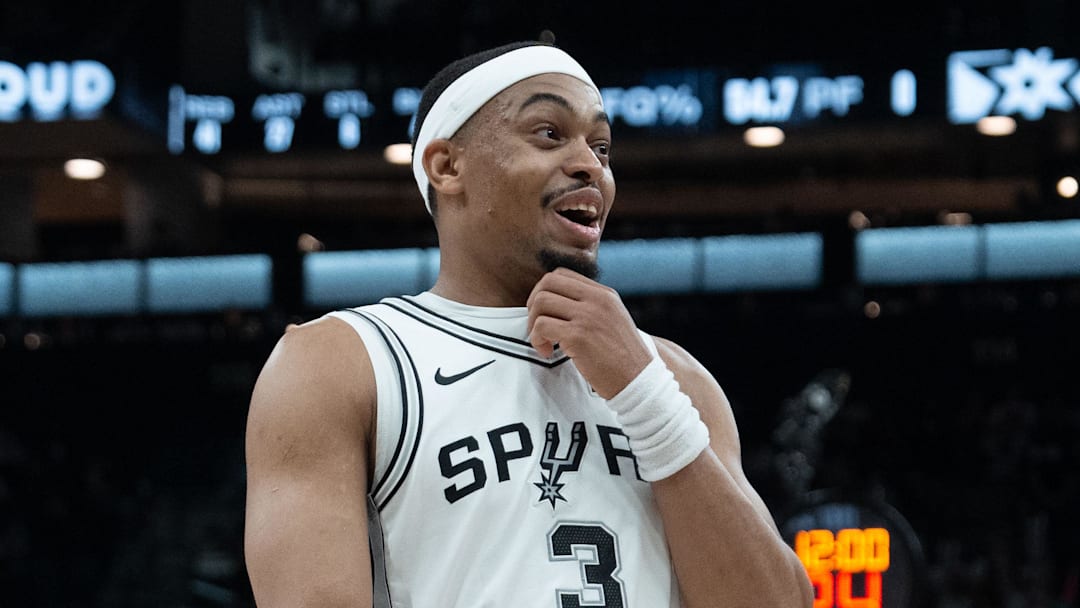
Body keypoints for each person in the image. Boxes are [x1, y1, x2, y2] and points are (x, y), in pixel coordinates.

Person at [243, 39, 814, 608]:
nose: (590, 165)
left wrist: (646, 398)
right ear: (447, 166)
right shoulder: (342, 364)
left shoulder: (673, 378)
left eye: (602, 147)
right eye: (549, 133)